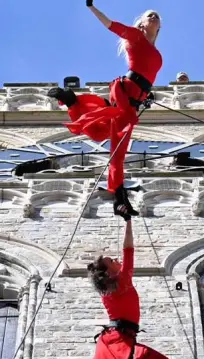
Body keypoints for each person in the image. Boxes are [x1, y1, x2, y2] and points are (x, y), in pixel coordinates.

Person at [22, 218, 187, 359]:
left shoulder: (113, 287)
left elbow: (125, 254)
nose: (118, 260)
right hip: (119, 341)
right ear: (109, 273)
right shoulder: (122, 283)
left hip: (113, 341)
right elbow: (129, 249)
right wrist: (128, 221)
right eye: (112, 260)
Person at [44, 1, 163, 221]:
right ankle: (118, 196)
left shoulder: (156, 52)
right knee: (120, 134)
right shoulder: (135, 36)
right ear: (143, 24)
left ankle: (72, 101)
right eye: (150, 15)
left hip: (135, 98)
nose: (155, 17)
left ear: (159, 28)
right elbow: (111, 25)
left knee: (105, 131)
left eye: (157, 16)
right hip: (124, 91)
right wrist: (91, 7)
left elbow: (148, 75)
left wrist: (147, 95)